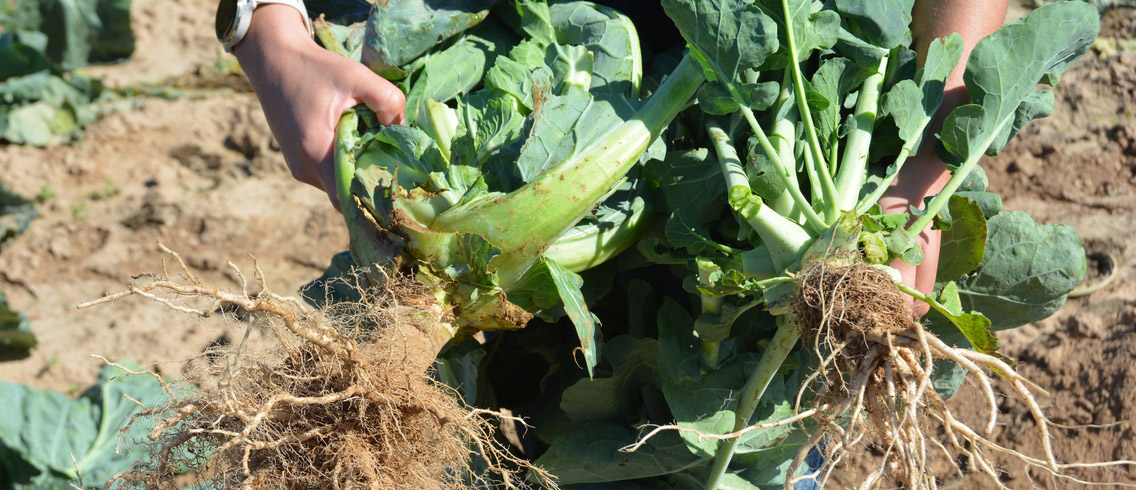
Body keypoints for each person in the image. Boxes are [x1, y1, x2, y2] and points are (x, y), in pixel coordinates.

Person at [229, 1, 1006, 312]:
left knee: (725, 483)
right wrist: (268, 29)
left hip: (779, 120)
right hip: (500, 107)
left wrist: (931, 141)